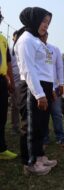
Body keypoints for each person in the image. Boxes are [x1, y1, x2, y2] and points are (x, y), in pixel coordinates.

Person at [14, 7, 57, 175]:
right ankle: (30, 163)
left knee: (40, 125)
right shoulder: (25, 40)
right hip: (33, 88)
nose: (46, 25)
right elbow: (28, 70)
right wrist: (39, 94)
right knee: (30, 126)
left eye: (48, 22)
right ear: (34, 20)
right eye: (43, 21)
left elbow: (46, 67)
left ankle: (39, 156)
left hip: (43, 86)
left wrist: (50, 89)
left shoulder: (36, 39)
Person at [40, 32, 64, 148]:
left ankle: (60, 137)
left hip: (55, 87)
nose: (43, 36)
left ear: (47, 35)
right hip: (42, 87)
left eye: (45, 34)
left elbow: (60, 67)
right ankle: (45, 138)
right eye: (40, 35)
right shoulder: (36, 49)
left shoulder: (54, 49)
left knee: (56, 113)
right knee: (43, 114)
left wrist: (61, 83)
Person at [0, 8, 17, 160]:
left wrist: (10, 80)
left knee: (2, 115)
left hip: (1, 81)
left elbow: (8, 63)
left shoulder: (3, 39)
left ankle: (1, 149)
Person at [10, 31, 21, 134]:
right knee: (15, 104)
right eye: (16, 37)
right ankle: (14, 126)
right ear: (13, 38)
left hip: (21, 80)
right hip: (11, 79)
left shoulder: (22, 48)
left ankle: (17, 126)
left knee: (19, 104)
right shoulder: (9, 50)